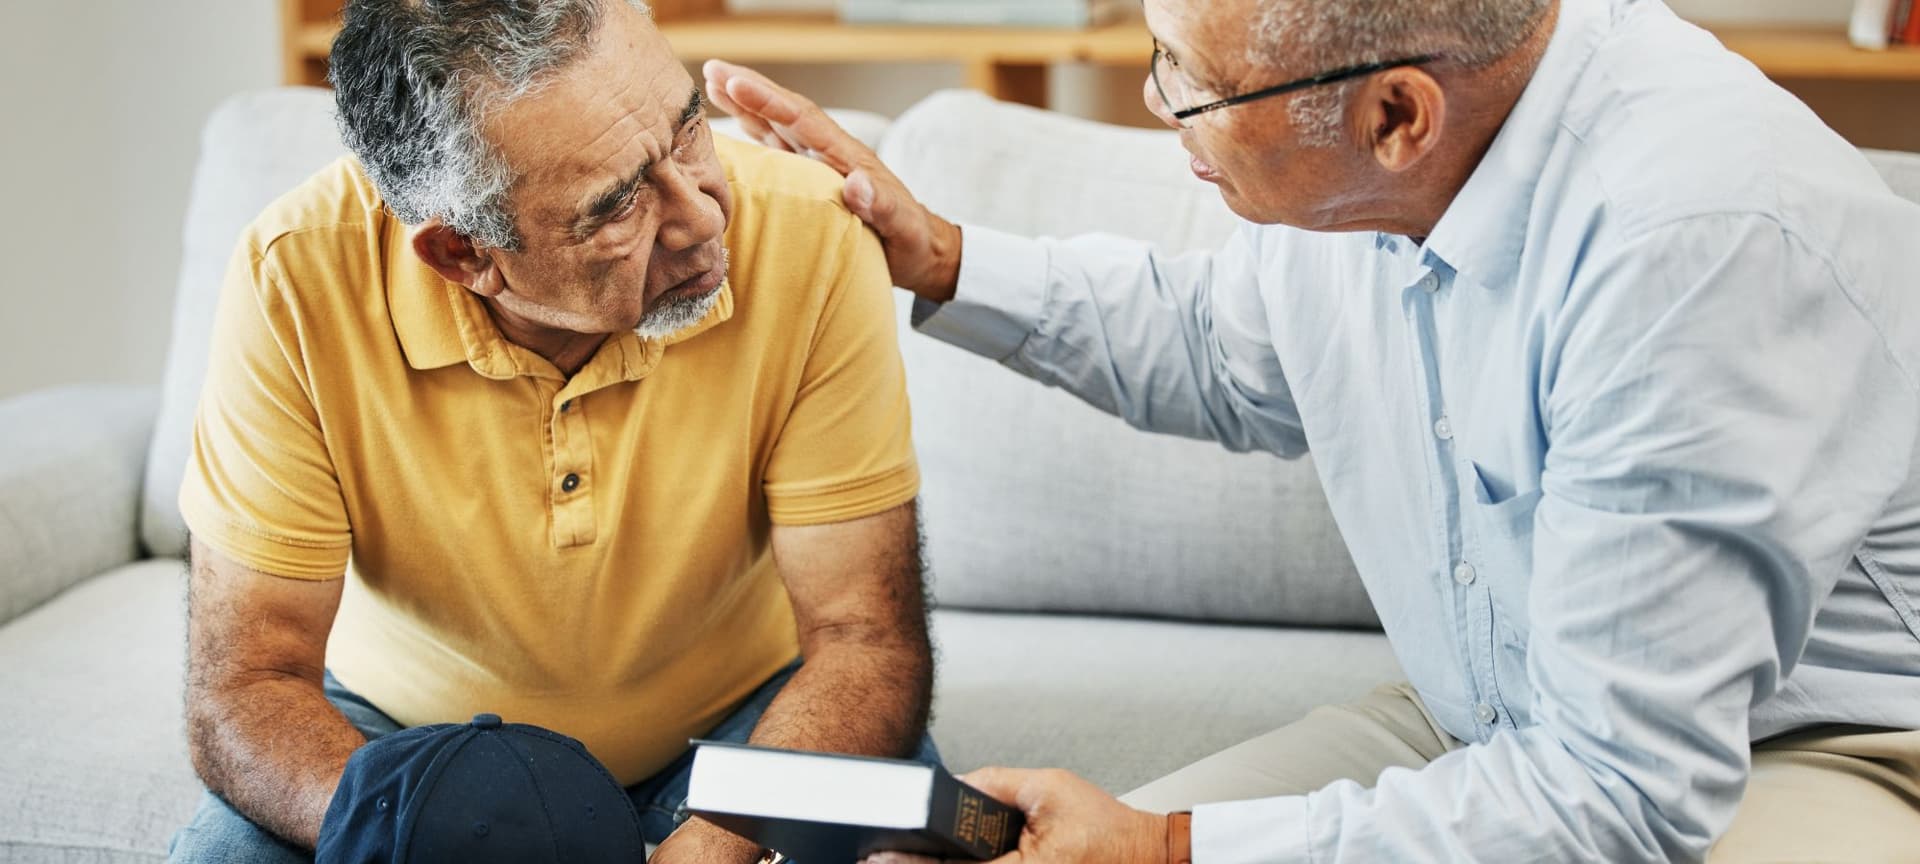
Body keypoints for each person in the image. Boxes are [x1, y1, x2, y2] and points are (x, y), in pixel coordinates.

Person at [703, 0, 1920, 859]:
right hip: (1491, 717)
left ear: (1398, 116)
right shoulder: (1392, 172)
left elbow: (1617, 795)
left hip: (1814, 745)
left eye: (1189, 77)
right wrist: (942, 257)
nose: (1155, 100)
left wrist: (1171, 850)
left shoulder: (1691, 250)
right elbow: (1228, 349)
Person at [168, 1, 938, 862]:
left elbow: (863, 637)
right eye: (616, 207)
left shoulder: (813, 233)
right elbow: (249, 683)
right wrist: (435, 834)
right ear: (465, 256)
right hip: (410, 740)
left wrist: (714, 846)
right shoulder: (295, 278)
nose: (704, 218)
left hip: (749, 729)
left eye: (689, 131)